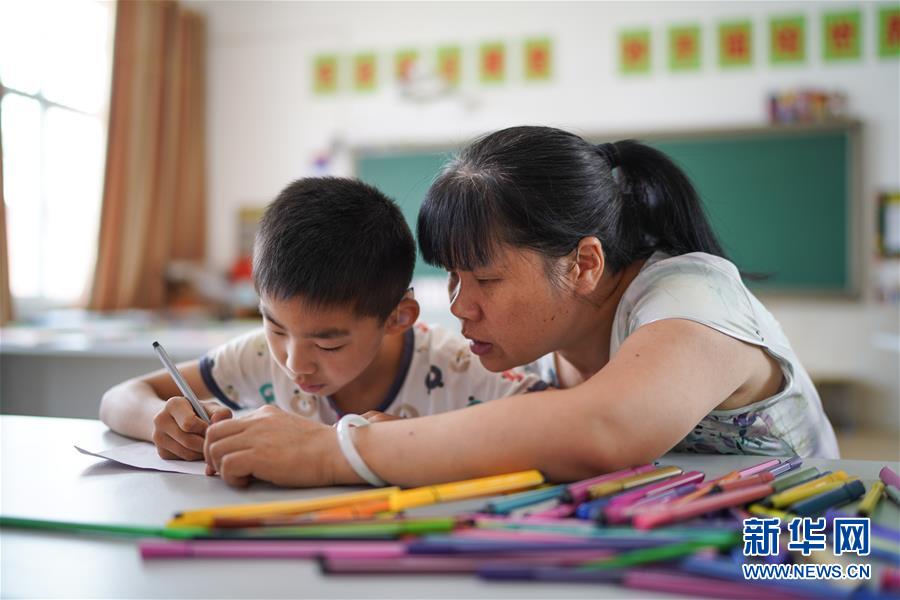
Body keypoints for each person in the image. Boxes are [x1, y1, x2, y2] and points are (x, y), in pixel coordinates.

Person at [202, 126, 839, 488]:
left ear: (583, 264)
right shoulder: (540, 346)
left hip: (811, 546)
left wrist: (329, 451)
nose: (459, 308)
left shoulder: (690, 294)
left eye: (484, 278)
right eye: (452, 277)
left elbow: (602, 429)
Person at [99, 177, 544, 483]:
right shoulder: (257, 356)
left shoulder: (456, 367)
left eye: (328, 343)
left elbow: (555, 423)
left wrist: (409, 445)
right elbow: (118, 397)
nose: (295, 363)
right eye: (275, 327)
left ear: (398, 317)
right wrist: (164, 424)